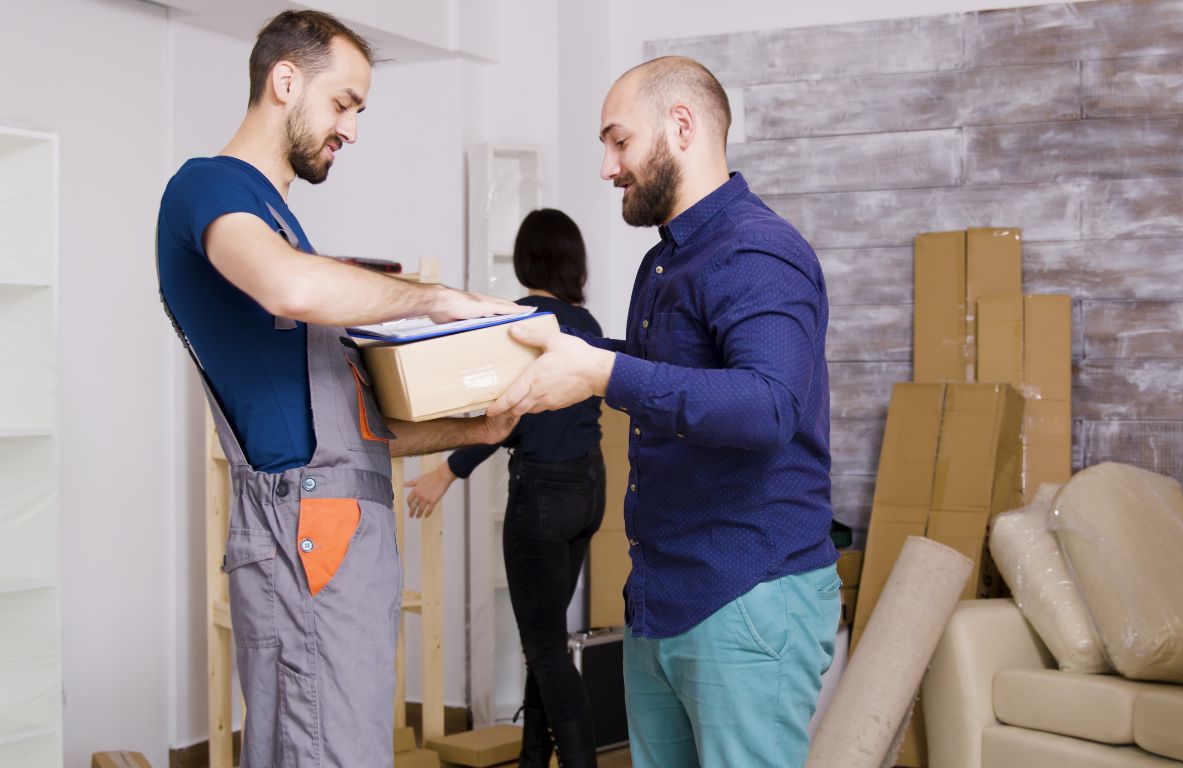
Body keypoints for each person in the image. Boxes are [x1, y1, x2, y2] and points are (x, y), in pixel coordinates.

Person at [155, 11, 520, 767]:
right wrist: (433, 297)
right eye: (343, 103)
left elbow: (354, 433)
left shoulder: (283, 226)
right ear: (284, 81)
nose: (352, 128)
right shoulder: (209, 190)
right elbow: (291, 288)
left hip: (340, 528)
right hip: (306, 533)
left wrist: (477, 428)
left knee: (338, 748)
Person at [487, 56, 841, 767]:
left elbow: (768, 405)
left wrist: (602, 371)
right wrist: (575, 347)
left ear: (681, 126)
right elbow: (678, 373)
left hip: (747, 596)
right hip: (665, 596)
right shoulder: (671, 260)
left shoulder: (759, 252)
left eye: (618, 141)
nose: (606, 166)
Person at [406, 208, 606, 768]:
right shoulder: (585, 326)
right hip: (589, 490)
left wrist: (446, 470)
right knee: (545, 643)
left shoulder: (520, 322)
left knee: (542, 647)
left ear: (526, 259)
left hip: (543, 497)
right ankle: (531, 757)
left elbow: (504, 415)